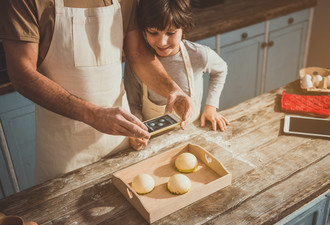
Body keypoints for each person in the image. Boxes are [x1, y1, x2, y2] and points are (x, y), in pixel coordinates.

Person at [0, 0, 192, 183]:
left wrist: (172, 89)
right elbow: (22, 74)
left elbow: (138, 53)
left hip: (122, 140)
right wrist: (93, 114)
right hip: (64, 152)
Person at [124, 0, 229, 150]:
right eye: (153, 33)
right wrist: (136, 131)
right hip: (153, 144)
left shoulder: (199, 55)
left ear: (183, 28)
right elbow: (132, 103)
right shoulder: (136, 63)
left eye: (171, 33)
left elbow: (221, 70)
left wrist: (211, 107)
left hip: (193, 135)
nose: (162, 42)